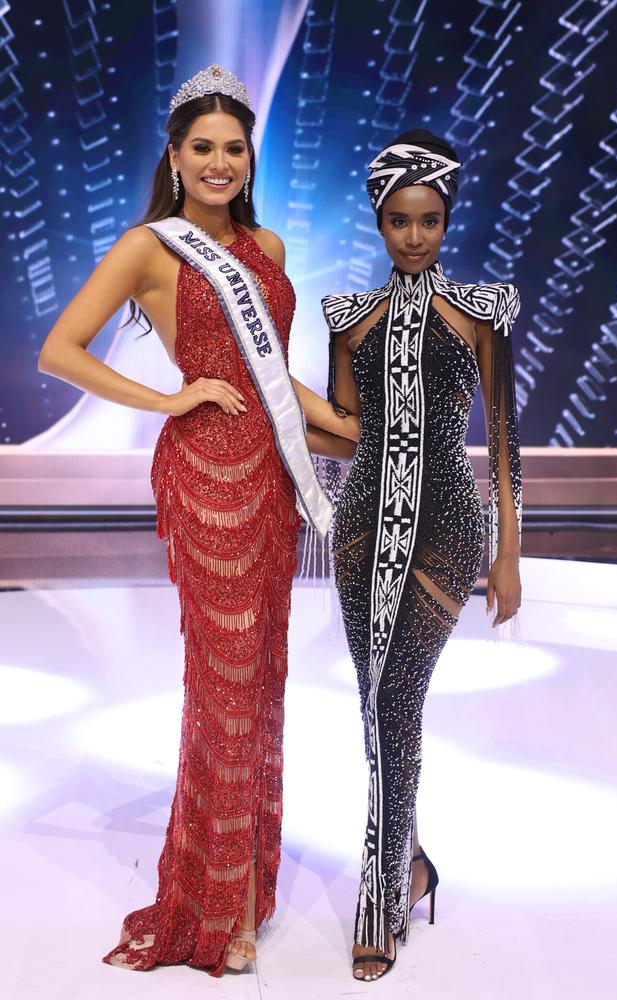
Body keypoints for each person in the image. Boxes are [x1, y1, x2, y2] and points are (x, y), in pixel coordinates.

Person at [38, 65, 357, 977]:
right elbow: (59, 349)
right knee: (222, 681)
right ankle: (216, 911)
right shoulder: (150, 247)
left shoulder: (271, 248)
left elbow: (275, 380)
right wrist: (169, 399)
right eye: (202, 148)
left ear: (251, 157)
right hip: (207, 477)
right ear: (175, 158)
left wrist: (349, 427)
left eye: (234, 147)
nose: (220, 162)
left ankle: (244, 880)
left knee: (259, 680)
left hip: (272, 477)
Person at [322, 130, 523, 981]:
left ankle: (380, 891)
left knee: (398, 697)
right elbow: (345, 429)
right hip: (363, 525)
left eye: (430, 220)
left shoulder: (483, 314)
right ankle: (406, 863)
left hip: (447, 523)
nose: (414, 237)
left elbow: (506, 441)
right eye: (399, 221)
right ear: (378, 222)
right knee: (374, 704)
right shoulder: (347, 317)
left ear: (448, 219)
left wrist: (511, 552)